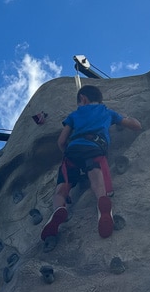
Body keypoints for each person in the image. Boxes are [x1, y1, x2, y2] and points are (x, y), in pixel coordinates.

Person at [40, 84, 142, 240]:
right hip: (95, 149)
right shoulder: (108, 112)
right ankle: (102, 202)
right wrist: (129, 117)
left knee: (61, 188)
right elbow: (135, 126)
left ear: (83, 98)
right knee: (97, 182)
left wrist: (66, 153)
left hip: (72, 151)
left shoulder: (74, 115)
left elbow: (61, 141)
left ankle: (58, 209)